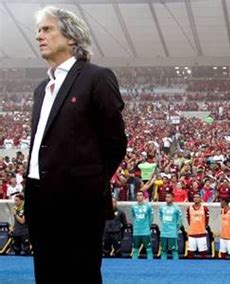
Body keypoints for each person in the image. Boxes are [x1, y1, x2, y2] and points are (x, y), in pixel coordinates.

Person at [24, 6, 127, 283]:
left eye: (47, 29)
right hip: (39, 200)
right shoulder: (40, 89)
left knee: (80, 275)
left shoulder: (96, 77)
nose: (39, 36)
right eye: (38, 30)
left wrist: (85, 183)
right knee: (46, 274)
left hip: (78, 202)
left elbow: (116, 142)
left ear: (71, 37)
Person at [158, 192, 182, 260]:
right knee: (163, 250)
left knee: (174, 250)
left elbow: (180, 220)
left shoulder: (177, 208)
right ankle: (163, 265)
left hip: (172, 232)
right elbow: (160, 217)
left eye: (169, 197)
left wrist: (176, 229)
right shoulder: (161, 207)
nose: (167, 199)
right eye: (166, 197)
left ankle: (175, 266)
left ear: (173, 198)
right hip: (164, 232)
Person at [131, 191, 154, 260]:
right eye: (137, 195)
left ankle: (150, 264)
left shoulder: (148, 206)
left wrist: (147, 226)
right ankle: (134, 265)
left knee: (148, 249)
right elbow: (133, 217)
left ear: (143, 197)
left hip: (145, 231)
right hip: (136, 232)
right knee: (135, 249)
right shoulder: (133, 207)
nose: (139, 197)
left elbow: (151, 218)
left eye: (140, 195)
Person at [186, 193, 210, 258]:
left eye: (197, 197)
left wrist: (204, 226)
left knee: (203, 253)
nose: (196, 199)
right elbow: (188, 219)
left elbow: (207, 219)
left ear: (200, 199)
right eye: (195, 197)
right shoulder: (189, 208)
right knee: (191, 252)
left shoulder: (205, 208)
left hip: (201, 233)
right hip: (192, 233)